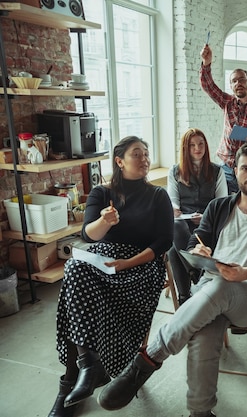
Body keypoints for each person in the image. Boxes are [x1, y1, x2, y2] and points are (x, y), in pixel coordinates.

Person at [97, 142, 247, 417]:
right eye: (245, 168)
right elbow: (194, 240)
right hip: (211, 291)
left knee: (222, 285)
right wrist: (197, 250)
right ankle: (200, 413)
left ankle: (145, 361)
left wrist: (244, 273)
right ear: (235, 171)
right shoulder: (218, 206)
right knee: (203, 333)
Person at [50, 136, 173, 417]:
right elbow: (87, 235)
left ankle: (72, 382)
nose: (144, 159)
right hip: (103, 260)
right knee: (74, 268)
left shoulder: (158, 195)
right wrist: (103, 222)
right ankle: (89, 366)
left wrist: (128, 263)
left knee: (72, 303)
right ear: (119, 161)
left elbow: (165, 241)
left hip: (141, 266)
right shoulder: (101, 193)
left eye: (146, 154)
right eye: (136, 154)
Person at [200, 43, 247, 194]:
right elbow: (208, 86)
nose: (238, 83)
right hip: (227, 166)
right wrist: (206, 63)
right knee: (226, 204)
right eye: (234, 81)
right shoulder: (227, 103)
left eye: (241, 80)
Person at [167, 128, 228, 305]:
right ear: (185, 148)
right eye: (192, 145)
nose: (197, 148)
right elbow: (173, 200)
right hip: (184, 223)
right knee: (176, 227)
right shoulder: (175, 171)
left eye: (201, 144)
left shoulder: (217, 171)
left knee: (173, 251)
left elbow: (222, 202)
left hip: (208, 224)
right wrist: (175, 209)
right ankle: (195, 272)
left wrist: (206, 216)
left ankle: (185, 296)